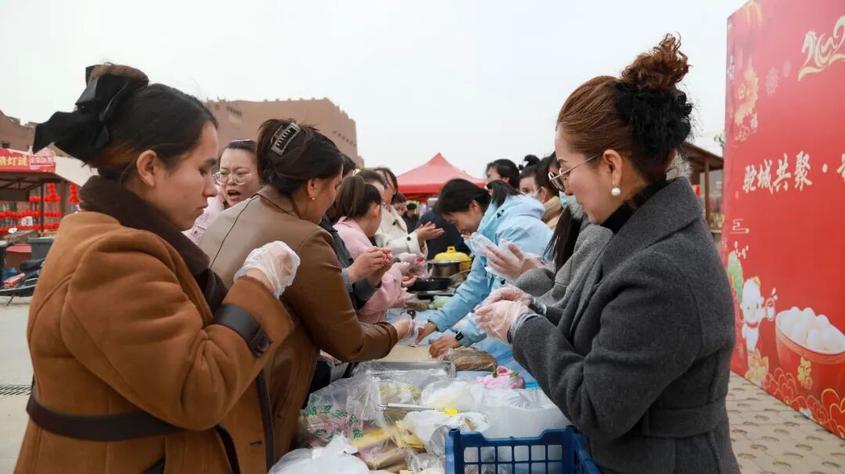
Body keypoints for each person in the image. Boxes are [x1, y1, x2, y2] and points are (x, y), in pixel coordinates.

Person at [474, 35, 739, 473]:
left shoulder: (663, 269)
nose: (566, 186)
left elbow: (598, 404)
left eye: (566, 170)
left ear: (612, 165)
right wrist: (532, 307)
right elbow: (606, 331)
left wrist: (522, 327)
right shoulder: (633, 232)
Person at [17, 64, 299, 474]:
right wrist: (258, 284)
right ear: (149, 168)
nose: (212, 188)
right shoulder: (113, 257)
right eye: (203, 169)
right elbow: (198, 390)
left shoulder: (115, 234)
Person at [200, 119, 411, 460]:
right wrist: (396, 330)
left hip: (221, 389)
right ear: (313, 185)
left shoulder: (230, 217)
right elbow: (348, 341)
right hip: (259, 400)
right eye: (334, 187)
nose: (333, 202)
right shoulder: (306, 237)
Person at [415, 179, 552, 357]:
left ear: (474, 206)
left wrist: (462, 336)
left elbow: (505, 293)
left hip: (539, 327)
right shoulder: (488, 232)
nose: (458, 229)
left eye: (455, 222)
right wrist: (436, 321)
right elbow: (474, 287)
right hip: (520, 324)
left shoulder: (516, 229)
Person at [332, 176, 414, 323]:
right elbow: (370, 301)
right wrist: (397, 272)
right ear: (376, 209)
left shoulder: (345, 230)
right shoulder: (351, 236)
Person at [185, 139, 262, 244]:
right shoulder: (206, 210)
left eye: (240, 173)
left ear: (263, 176)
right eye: (224, 173)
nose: (230, 181)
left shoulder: (272, 221)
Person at [368, 167, 443, 255]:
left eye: (383, 183)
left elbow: (409, 250)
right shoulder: (370, 215)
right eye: (374, 184)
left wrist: (420, 240)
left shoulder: (399, 219)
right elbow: (384, 247)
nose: (378, 187)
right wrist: (416, 236)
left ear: (395, 190)